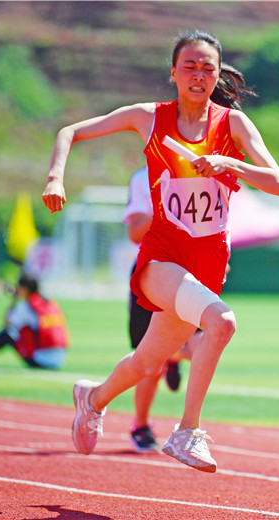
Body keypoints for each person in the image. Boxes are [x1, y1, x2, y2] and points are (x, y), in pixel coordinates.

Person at [41, 30, 279, 472]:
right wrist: (55, 177)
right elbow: (70, 131)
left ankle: (91, 399)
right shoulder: (149, 117)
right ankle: (187, 431)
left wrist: (229, 163)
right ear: (173, 73)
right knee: (222, 323)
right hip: (161, 258)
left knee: (147, 363)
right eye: (189, 66)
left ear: (217, 77)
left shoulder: (232, 126)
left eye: (207, 68)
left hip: (208, 263)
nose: (198, 75)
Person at [123, 165, 184, 452]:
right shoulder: (142, 178)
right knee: (148, 360)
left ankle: (190, 427)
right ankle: (141, 425)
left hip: (190, 270)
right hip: (151, 271)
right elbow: (135, 233)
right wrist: (163, 207)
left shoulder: (200, 169)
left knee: (212, 335)